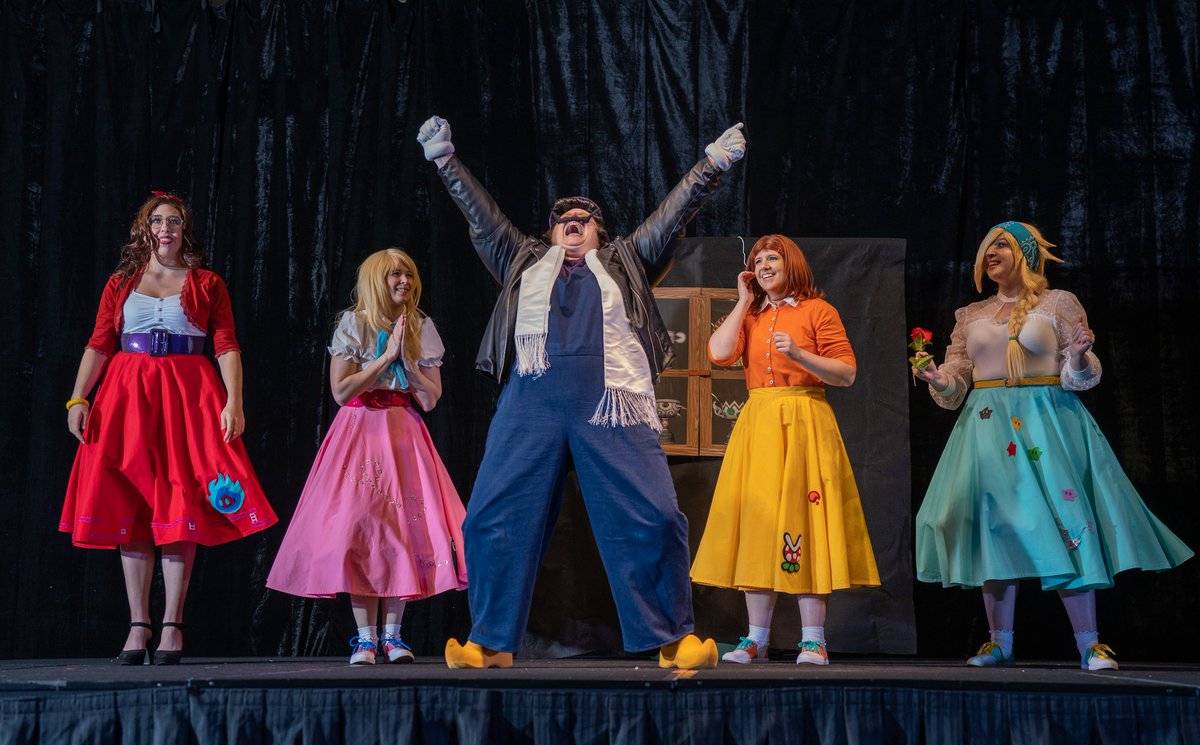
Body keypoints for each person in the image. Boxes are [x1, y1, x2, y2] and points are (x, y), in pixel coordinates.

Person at [416, 114, 746, 669]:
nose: (574, 222)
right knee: (492, 518)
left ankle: (672, 640)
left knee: (656, 517)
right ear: (549, 234)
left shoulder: (627, 261)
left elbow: (671, 216)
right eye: (564, 219)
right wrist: (446, 161)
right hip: (533, 400)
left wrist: (710, 166)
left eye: (585, 219)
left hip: (611, 402)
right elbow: (483, 218)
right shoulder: (521, 261)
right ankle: (491, 643)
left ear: (601, 234)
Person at [912, 221, 1193, 670]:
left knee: (1067, 524)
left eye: (1002, 245)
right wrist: (937, 377)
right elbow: (957, 378)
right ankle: (998, 642)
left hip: (1046, 424)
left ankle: (1089, 643)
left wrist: (1080, 355)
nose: (992, 253)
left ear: (1025, 253)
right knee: (993, 528)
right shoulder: (970, 314)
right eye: (987, 247)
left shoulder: (1058, 303)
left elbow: (1082, 373)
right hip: (986, 427)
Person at [60, 191, 277, 665]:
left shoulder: (207, 283)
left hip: (188, 397)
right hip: (127, 398)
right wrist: (79, 397)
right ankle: (138, 625)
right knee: (131, 504)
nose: (165, 228)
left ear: (184, 229)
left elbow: (226, 345)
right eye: (157, 221)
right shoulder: (121, 282)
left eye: (173, 221)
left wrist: (234, 401)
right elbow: (99, 343)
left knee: (181, 502)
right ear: (145, 229)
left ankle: (172, 626)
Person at [266, 249, 467, 665]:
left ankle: (393, 636)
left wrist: (406, 360)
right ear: (377, 279)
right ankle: (365, 637)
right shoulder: (354, 324)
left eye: (408, 274)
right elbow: (341, 393)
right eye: (395, 274)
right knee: (360, 530)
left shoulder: (421, 326)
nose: (404, 281)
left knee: (403, 528)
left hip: (402, 432)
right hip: (360, 431)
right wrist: (384, 357)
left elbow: (430, 400)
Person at [690, 235, 880, 666]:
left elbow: (846, 373)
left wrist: (800, 354)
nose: (763, 265)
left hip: (804, 421)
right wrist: (743, 300)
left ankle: (813, 639)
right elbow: (718, 353)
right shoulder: (753, 314)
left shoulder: (818, 311)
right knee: (760, 523)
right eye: (757, 261)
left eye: (771, 258)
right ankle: (756, 639)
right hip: (760, 425)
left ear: (790, 263)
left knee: (805, 522)